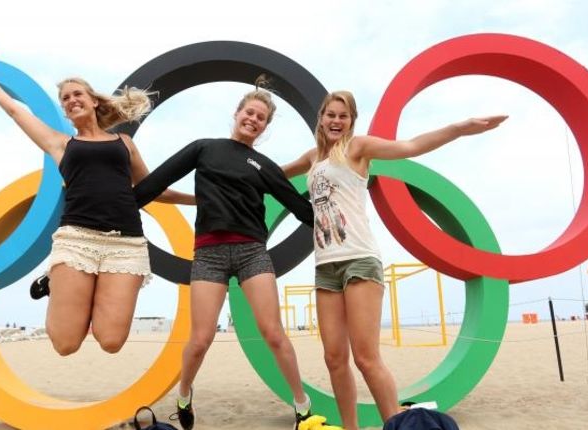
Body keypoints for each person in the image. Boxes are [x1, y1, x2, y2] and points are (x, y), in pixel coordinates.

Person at [280, 90, 506, 429]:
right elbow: (272, 175)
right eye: (331, 114)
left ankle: (394, 425)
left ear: (351, 121)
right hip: (325, 266)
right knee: (334, 359)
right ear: (321, 118)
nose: (336, 121)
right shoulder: (312, 158)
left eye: (343, 116)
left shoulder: (358, 148)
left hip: (360, 260)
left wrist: (459, 128)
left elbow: (410, 146)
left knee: (366, 358)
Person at [0, 63, 194, 357]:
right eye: (65, 98)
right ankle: (59, 280)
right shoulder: (61, 144)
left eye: (77, 94)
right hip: (77, 240)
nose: (71, 100)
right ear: (65, 110)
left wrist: (197, 200)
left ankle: (71, 286)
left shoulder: (124, 144)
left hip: (125, 245)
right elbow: (17, 112)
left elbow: (154, 188)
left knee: (111, 341)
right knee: (66, 344)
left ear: (94, 101)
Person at [134, 86, 316, 430]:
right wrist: (122, 205)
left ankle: (302, 405)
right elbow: (157, 181)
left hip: (252, 253)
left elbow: (298, 206)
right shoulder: (205, 148)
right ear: (237, 114)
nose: (254, 120)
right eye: (249, 113)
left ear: (264, 128)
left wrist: (337, 218)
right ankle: (184, 396)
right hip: (209, 254)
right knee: (200, 340)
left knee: (273, 333)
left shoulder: (264, 166)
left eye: (261, 119)